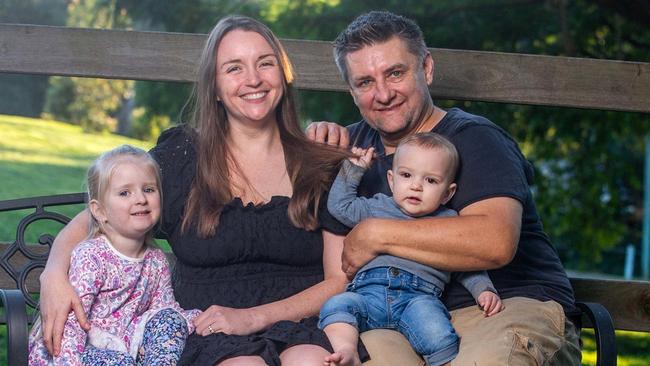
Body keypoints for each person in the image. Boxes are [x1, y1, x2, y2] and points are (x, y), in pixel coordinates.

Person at [37, 16, 361, 366]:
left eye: (265, 63)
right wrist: (53, 273)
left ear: (283, 74)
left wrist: (253, 317)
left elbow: (337, 280)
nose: (253, 79)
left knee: (313, 363)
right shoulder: (182, 158)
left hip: (301, 325)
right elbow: (96, 219)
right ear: (215, 88)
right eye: (234, 68)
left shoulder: (318, 161)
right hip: (210, 333)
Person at [308, 10, 582, 365]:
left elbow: (495, 243)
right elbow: (339, 275)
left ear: (426, 69)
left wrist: (376, 233)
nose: (383, 93)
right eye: (365, 82)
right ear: (352, 91)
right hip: (392, 318)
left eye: (395, 73)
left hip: (507, 305)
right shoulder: (350, 153)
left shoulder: (476, 139)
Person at [320, 132, 503, 366]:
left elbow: (465, 262)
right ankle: (347, 351)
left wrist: (484, 290)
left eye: (431, 181)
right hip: (368, 295)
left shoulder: (449, 222)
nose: (416, 186)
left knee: (436, 329)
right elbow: (340, 206)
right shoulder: (376, 207)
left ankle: (445, 361)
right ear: (392, 180)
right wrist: (352, 170)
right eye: (406, 175)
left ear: (448, 193)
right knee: (337, 306)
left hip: (418, 299)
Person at [29, 145, 200, 365]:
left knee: (169, 319)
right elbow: (70, 327)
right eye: (124, 193)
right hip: (75, 350)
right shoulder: (92, 257)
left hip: (124, 347)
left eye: (148, 189)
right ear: (100, 211)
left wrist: (192, 318)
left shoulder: (156, 260)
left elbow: (162, 308)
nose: (140, 199)